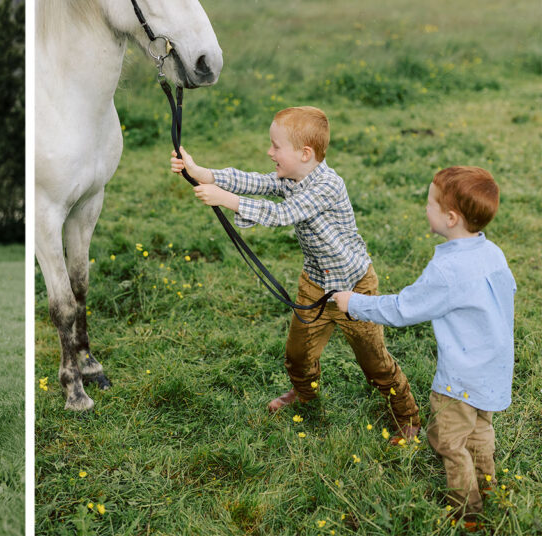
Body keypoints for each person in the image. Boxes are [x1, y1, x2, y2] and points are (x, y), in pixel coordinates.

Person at [170, 106, 420, 439]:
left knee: (375, 362)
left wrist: (226, 200)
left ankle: (407, 415)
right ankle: (305, 394)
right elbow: (257, 182)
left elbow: (282, 214)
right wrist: (203, 173)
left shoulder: (326, 186)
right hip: (315, 285)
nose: (269, 152)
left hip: (354, 289)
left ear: (304, 154)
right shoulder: (292, 176)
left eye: (276, 146)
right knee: (298, 355)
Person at [334, 167, 515, 524]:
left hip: (460, 379)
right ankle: (490, 487)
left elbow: (403, 309)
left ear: (450, 218)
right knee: (479, 431)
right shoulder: (492, 252)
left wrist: (353, 303)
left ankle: (468, 512)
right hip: (492, 369)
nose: (425, 208)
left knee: (447, 440)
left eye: (430, 202)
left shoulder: (448, 270)